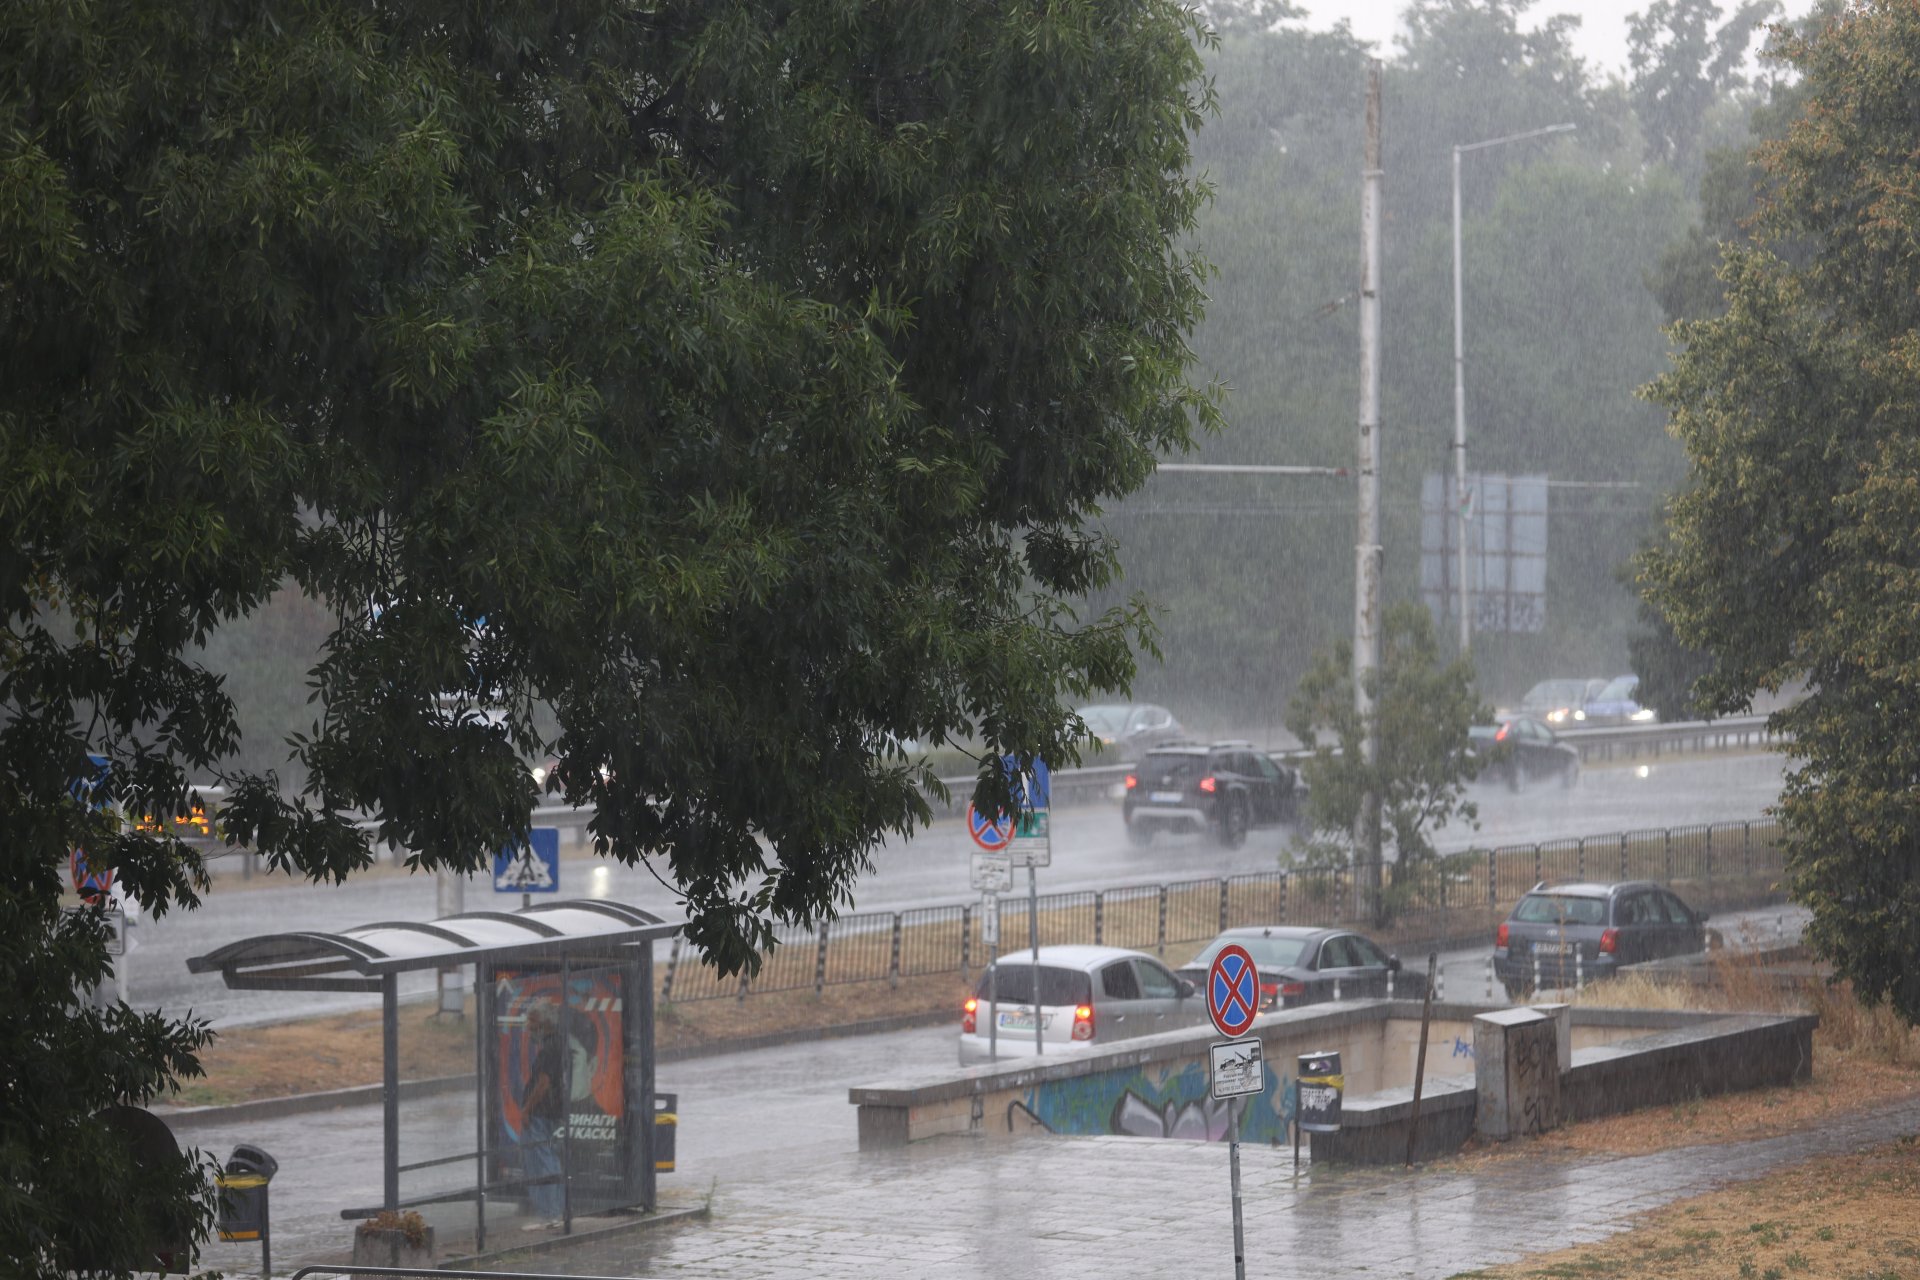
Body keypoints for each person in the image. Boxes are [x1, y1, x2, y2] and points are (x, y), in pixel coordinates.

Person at [518, 1000, 565, 1222]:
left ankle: (550, 1213)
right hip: (549, 1112)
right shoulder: (556, 1044)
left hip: (541, 1113)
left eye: (532, 1021)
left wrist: (527, 1109)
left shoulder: (551, 1047)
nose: (528, 1026)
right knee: (545, 1158)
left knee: (542, 1160)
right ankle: (552, 1211)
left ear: (544, 1023)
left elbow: (543, 1083)